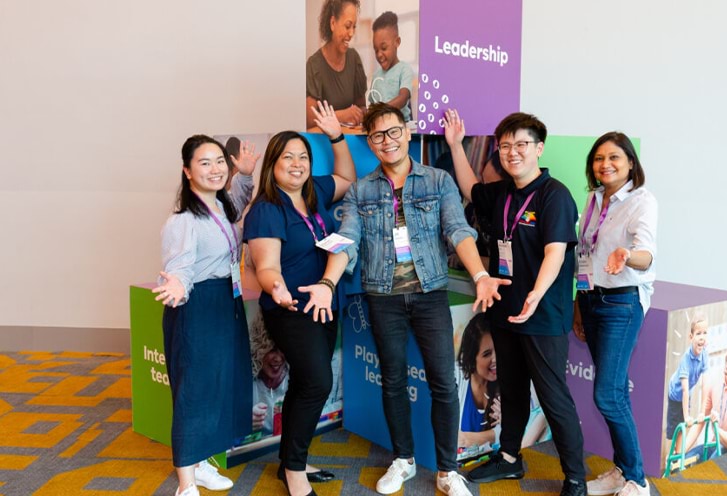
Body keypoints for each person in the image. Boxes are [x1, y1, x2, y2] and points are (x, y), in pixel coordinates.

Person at [300, 102, 509, 496]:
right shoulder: (361, 191)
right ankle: (404, 460)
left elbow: (457, 229)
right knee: (393, 381)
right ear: (372, 143)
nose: (387, 141)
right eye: (378, 135)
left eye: (394, 131)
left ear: (407, 133)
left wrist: (480, 274)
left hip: (430, 294)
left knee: (444, 382)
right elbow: (346, 238)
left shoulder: (438, 180)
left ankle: (447, 470)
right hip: (383, 297)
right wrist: (328, 282)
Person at [443, 109, 587, 496]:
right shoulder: (502, 192)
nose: (512, 152)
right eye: (505, 146)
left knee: (554, 396)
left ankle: (575, 478)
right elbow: (470, 187)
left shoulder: (554, 196)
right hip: (505, 308)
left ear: (538, 148)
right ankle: (510, 458)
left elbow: (556, 254)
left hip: (542, 314)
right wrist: (456, 145)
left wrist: (535, 295)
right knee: (511, 386)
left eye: (521, 144)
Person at [243, 102, 356, 496]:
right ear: (272, 164)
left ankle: (292, 459)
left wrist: (336, 136)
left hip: (324, 303)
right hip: (291, 309)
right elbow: (266, 265)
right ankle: (294, 470)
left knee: (306, 382)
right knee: (317, 382)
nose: (297, 164)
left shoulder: (314, 193)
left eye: (303, 157)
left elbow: (345, 175)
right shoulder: (266, 209)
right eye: (287, 157)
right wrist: (275, 286)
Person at [152, 135, 260, 496]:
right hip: (196, 306)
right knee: (194, 392)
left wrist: (243, 175)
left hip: (224, 304)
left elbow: (238, 203)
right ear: (187, 171)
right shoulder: (183, 220)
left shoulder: (219, 206)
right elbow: (179, 267)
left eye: (219, 162)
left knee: (219, 386)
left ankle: (201, 464)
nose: (215, 169)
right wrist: (178, 286)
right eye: (204, 163)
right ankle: (186, 483)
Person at [572, 132, 658, 496]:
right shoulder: (593, 199)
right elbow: (583, 255)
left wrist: (627, 255)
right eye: (598, 159)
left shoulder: (642, 201)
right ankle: (624, 471)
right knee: (615, 391)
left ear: (630, 163)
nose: (605, 165)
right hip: (592, 299)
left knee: (607, 395)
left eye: (614, 158)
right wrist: (579, 305)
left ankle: (636, 478)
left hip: (622, 300)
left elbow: (647, 253)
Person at [685, 330, 727, 458]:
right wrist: (681, 451)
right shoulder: (715, 377)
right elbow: (701, 421)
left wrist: (715, 428)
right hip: (716, 443)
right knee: (687, 458)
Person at [306, 0, 366, 128]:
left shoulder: (354, 59)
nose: (351, 34)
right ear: (333, 23)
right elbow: (310, 119)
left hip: (350, 139)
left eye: (354, 27)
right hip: (323, 142)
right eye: (347, 26)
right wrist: (342, 115)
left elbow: (361, 107)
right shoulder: (314, 64)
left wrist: (362, 114)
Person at [456, 313, 501, 454]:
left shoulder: (509, 376)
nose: (495, 360)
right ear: (471, 357)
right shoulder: (455, 375)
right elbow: (450, 437)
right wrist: (496, 435)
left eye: (498, 350)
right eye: (487, 354)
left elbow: (526, 427)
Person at [665, 319, 709, 454]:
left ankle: (678, 454)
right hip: (675, 394)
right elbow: (684, 389)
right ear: (691, 337)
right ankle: (669, 456)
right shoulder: (686, 359)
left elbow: (705, 385)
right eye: (698, 333)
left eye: (705, 333)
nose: (702, 337)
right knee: (673, 429)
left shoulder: (704, 355)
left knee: (683, 426)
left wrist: (702, 412)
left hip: (686, 394)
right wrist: (687, 416)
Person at [368, 11, 413, 122]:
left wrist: (380, 111)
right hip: (381, 128)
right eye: (376, 49)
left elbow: (403, 98)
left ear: (397, 42)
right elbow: (372, 105)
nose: (379, 54)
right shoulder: (376, 76)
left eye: (383, 48)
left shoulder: (404, 69)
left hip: (402, 127)